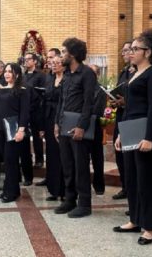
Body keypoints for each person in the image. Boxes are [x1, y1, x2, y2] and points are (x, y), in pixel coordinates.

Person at [113, 29, 152, 245]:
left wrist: (148, 138)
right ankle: (135, 219)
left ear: (147, 52)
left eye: (135, 49)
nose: (131, 52)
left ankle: (150, 227)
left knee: (146, 180)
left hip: (147, 131)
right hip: (130, 129)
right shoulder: (133, 73)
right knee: (132, 178)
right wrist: (121, 133)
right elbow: (129, 107)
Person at [54, 38, 97, 218]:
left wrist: (81, 127)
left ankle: (84, 204)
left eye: (64, 52)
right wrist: (57, 123)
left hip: (78, 126)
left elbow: (89, 102)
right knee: (68, 165)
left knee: (80, 166)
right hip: (64, 124)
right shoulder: (67, 75)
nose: (61, 55)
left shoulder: (87, 73)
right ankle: (69, 199)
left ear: (72, 54)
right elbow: (61, 101)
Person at [0, 63, 30, 203]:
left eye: (10, 72)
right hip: (0, 128)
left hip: (13, 128)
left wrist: (21, 130)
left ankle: (10, 192)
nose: (6, 74)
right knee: (6, 160)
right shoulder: (0, 90)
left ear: (16, 74)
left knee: (11, 161)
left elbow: (25, 112)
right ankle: (12, 190)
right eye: (5, 71)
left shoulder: (22, 91)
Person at [36, 48, 61, 187]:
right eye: (48, 58)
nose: (49, 61)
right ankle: (50, 179)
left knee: (59, 152)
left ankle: (59, 182)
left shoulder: (65, 77)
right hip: (48, 116)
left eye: (52, 58)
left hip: (60, 116)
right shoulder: (49, 77)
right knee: (50, 151)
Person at [41, 55, 65, 201]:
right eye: (52, 63)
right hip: (49, 118)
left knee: (63, 154)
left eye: (57, 63)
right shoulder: (49, 79)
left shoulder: (67, 80)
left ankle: (64, 189)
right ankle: (54, 189)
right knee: (51, 154)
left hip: (62, 118)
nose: (54, 65)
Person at [112, 41, 133, 201]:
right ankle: (125, 186)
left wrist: (126, 101)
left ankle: (133, 191)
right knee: (119, 153)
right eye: (123, 50)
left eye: (126, 50)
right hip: (121, 115)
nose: (123, 53)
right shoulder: (124, 71)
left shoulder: (141, 72)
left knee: (130, 156)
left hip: (132, 118)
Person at [23, 52, 46, 169]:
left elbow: (43, 92)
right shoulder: (23, 76)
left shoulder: (41, 76)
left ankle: (39, 159)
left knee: (37, 136)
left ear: (35, 61)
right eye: (25, 59)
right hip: (25, 109)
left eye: (29, 59)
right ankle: (27, 158)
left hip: (36, 109)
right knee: (25, 135)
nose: (26, 61)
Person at [88, 64, 106, 195]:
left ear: (97, 75)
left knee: (97, 158)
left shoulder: (101, 90)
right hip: (82, 127)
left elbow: (98, 110)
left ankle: (99, 185)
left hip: (94, 127)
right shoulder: (81, 87)